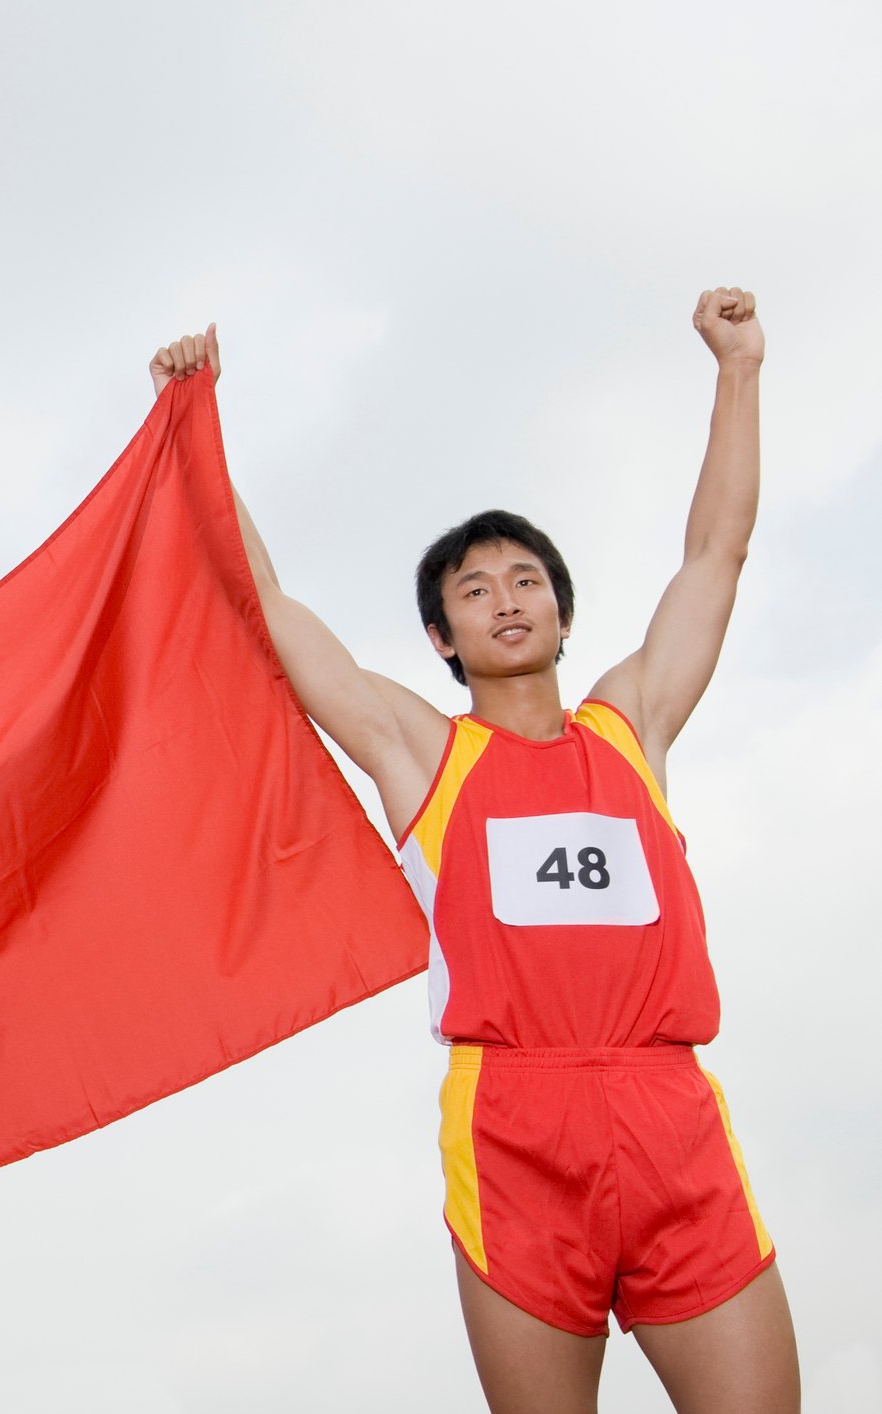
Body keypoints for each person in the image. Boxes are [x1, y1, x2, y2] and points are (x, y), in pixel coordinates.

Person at [149, 290, 797, 1413]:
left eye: (527, 580)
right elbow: (273, 610)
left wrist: (738, 368)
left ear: (562, 612)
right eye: (475, 587)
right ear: (443, 638)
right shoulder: (421, 752)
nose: (507, 597)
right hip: (513, 1125)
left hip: (669, 1114)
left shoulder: (630, 722)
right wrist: (192, 422)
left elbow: (716, 553)